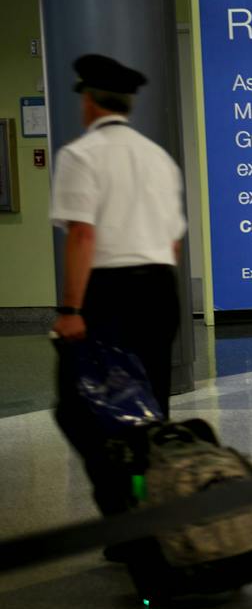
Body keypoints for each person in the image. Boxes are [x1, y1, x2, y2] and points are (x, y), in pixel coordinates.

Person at [50, 54, 186, 517]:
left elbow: (83, 235)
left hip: (109, 294)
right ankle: (155, 508)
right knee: (150, 408)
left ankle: (122, 512)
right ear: (127, 104)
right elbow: (173, 242)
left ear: (88, 102)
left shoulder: (79, 155)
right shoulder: (160, 159)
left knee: (84, 407)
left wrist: (71, 309)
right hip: (161, 289)